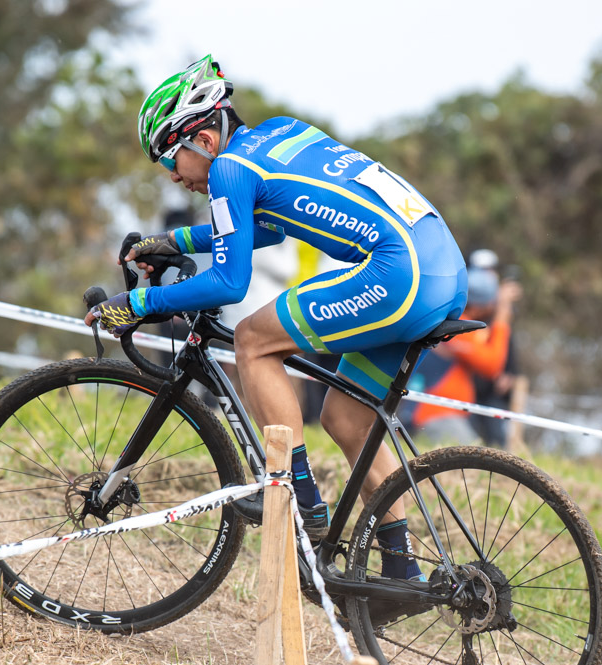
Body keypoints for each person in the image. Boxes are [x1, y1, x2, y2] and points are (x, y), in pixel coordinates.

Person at [85, 56, 467, 581]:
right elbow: (264, 230)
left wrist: (138, 305)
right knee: (346, 419)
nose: (173, 175)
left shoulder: (228, 169)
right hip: (443, 270)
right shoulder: (281, 134)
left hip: (399, 272)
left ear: (204, 137)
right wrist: (172, 241)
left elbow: (227, 282)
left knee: (253, 339)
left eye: (171, 158)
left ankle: (296, 497)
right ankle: (402, 572)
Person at [408, 265, 516, 446]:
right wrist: (502, 321)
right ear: (484, 305)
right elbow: (492, 365)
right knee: (474, 462)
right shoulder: (458, 328)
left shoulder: (454, 321)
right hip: (436, 416)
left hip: (447, 415)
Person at [465, 249, 524, 447]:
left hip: (494, 386)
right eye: (482, 269)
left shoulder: (498, 304)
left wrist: (510, 371)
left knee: (497, 437)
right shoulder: (475, 298)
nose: (488, 273)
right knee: (471, 434)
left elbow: (508, 339)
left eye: (491, 269)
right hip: (472, 379)